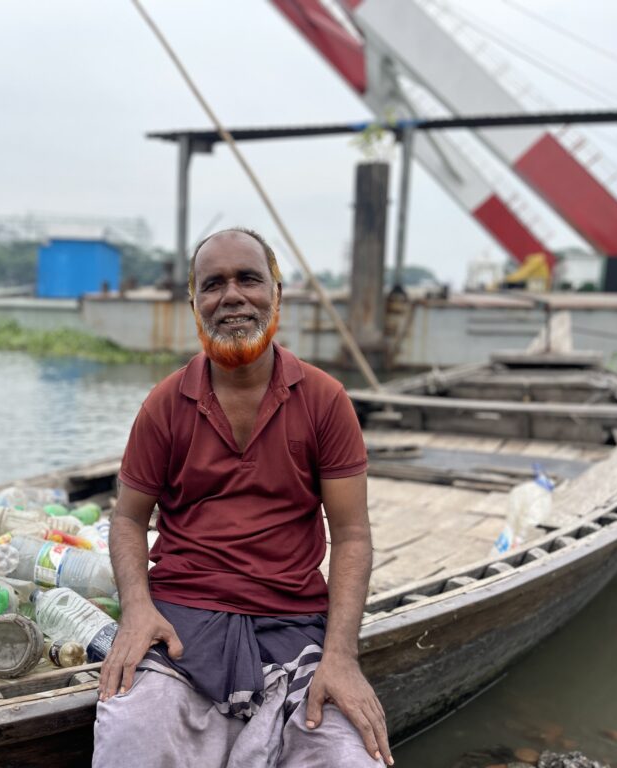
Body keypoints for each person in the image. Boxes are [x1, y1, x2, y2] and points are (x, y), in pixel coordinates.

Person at [93, 228, 391, 767]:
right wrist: (136, 610)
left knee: (350, 758)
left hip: (295, 625)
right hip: (181, 622)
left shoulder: (325, 401)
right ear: (194, 304)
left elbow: (351, 534)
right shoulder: (165, 404)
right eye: (213, 284)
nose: (231, 296)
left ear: (277, 292)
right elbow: (128, 520)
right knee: (130, 739)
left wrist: (341, 656)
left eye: (249, 279)